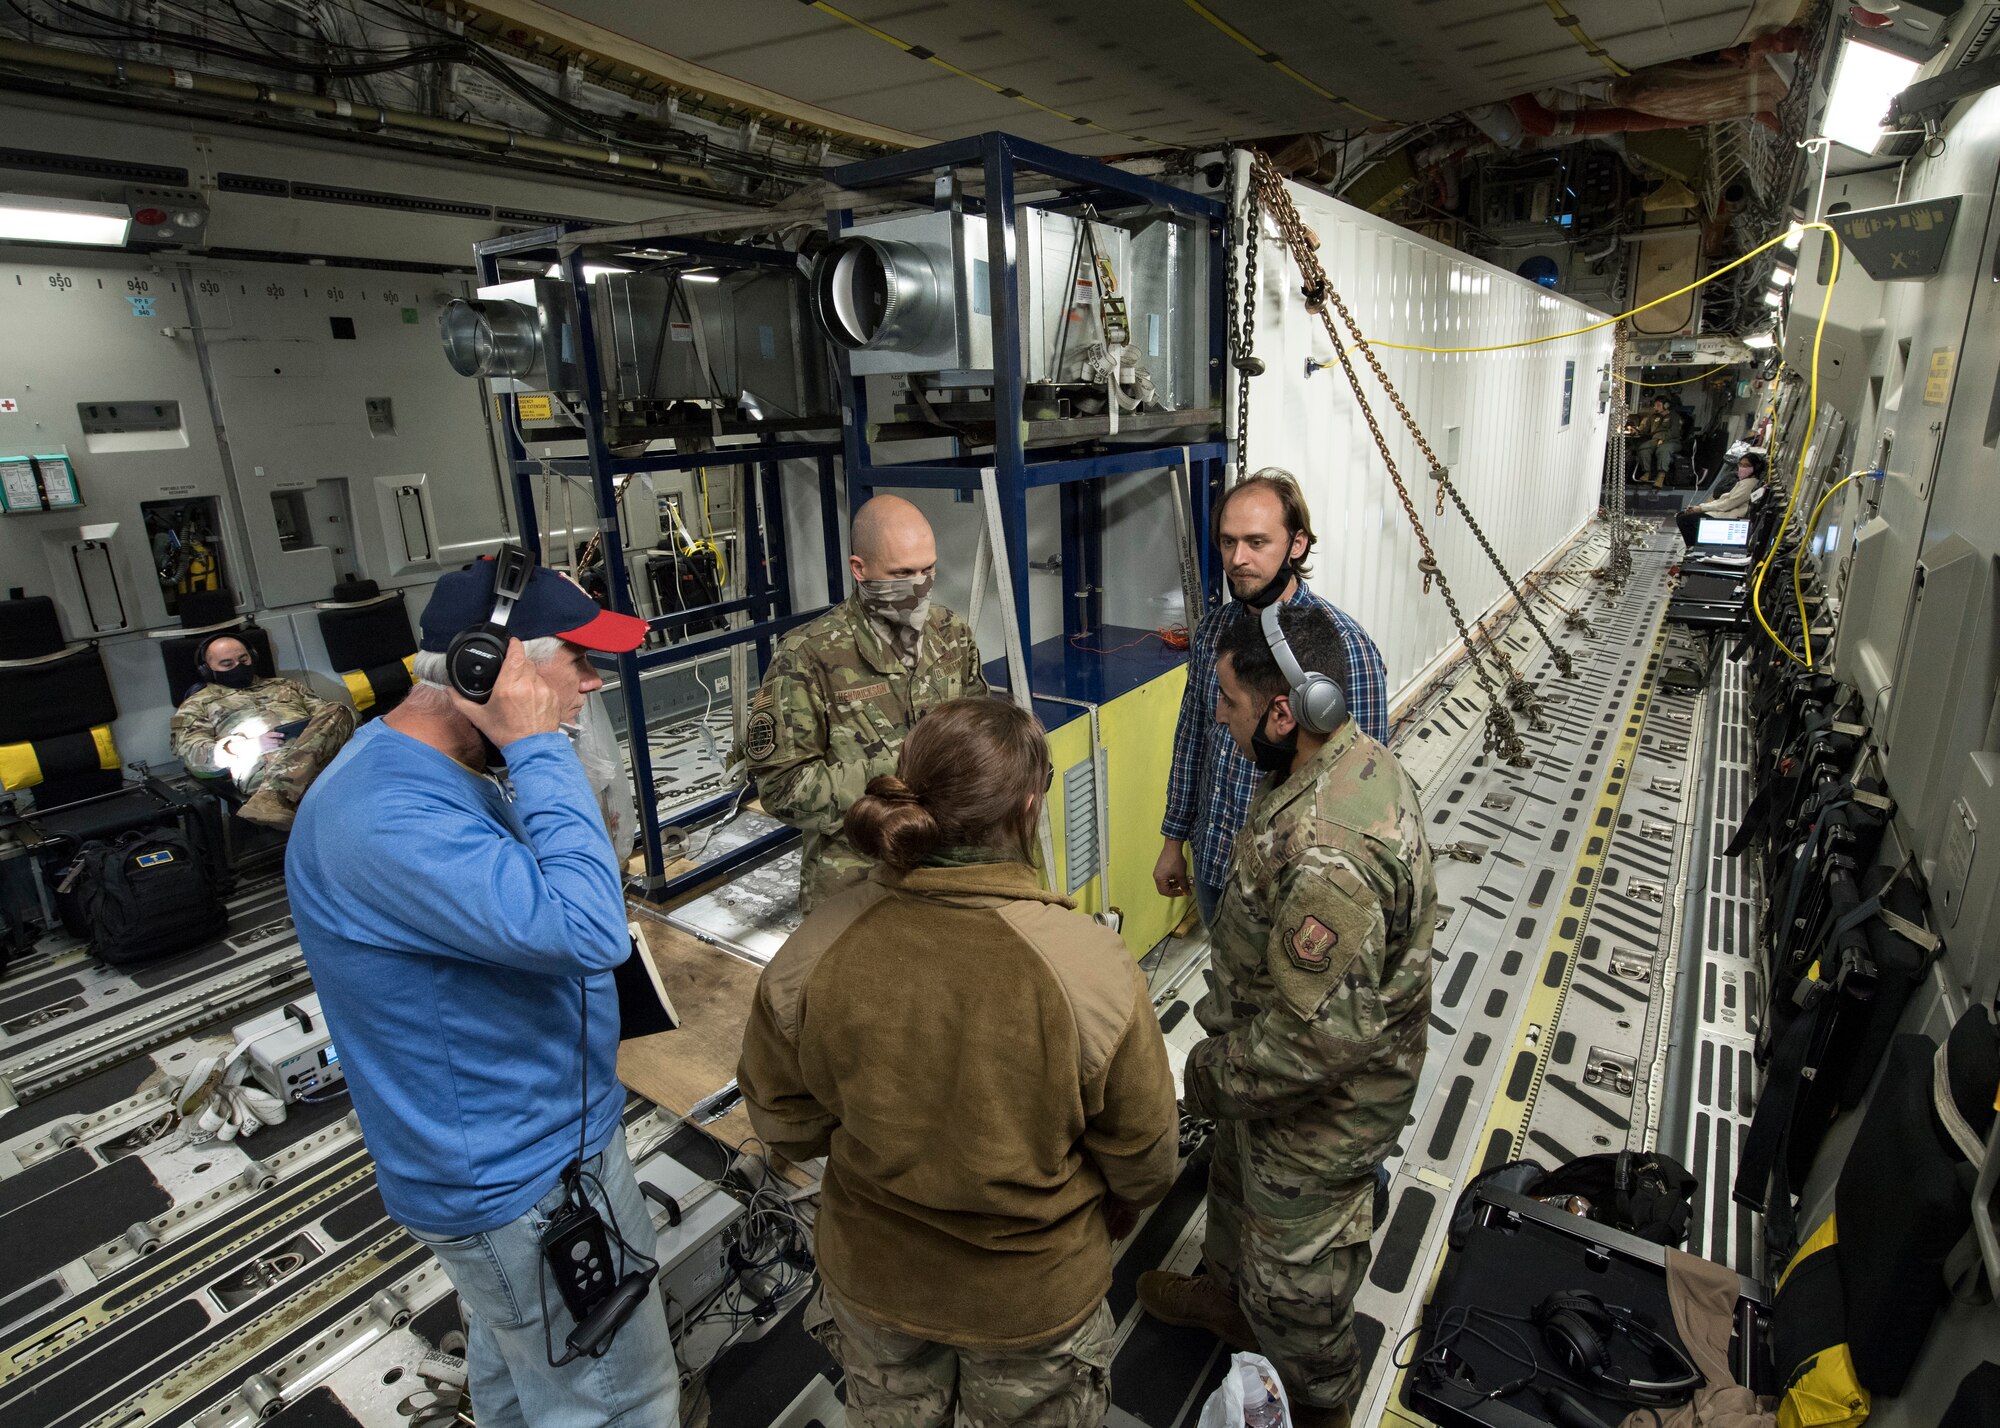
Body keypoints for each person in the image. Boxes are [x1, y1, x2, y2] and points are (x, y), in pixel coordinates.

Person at [285, 559, 681, 1428]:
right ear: (484, 669)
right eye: (576, 661)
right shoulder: (387, 818)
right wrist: (540, 745)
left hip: (527, 1147)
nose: (589, 685)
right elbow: (584, 928)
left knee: (519, 1375)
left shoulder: (426, 777)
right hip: (525, 1181)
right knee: (617, 1400)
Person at [738, 697, 1178, 1428]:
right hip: (1030, 1305)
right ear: (1030, 805)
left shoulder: (815, 950)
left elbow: (785, 1125)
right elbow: (1147, 1159)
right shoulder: (1088, 968)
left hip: (877, 1285)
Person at [1137, 604, 1435, 1428]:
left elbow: (1320, 1041)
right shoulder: (1336, 763)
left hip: (1317, 1114)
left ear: (1286, 711)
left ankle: (1317, 1402)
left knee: (1299, 1283)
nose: (1220, 720)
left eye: (1228, 704)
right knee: (1234, 1200)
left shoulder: (1331, 850)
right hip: (1264, 1089)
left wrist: (1205, 1075)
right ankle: (1232, 1304)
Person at [1156, 471, 1389, 925]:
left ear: (1296, 545)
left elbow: (1366, 785)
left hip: (1293, 884)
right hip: (1215, 860)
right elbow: (1192, 740)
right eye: (1228, 542)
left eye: (1257, 542)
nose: (1238, 558)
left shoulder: (1345, 647)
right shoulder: (1214, 631)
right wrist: (1173, 841)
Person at [746, 494, 989, 912]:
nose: (919, 586)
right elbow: (781, 788)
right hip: (855, 878)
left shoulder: (952, 634)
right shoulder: (808, 656)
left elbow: (977, 734)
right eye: (902, 573)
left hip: (945, 864)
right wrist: (902, 773)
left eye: (927, 570)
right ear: (859, 569)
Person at [169, 633, 354, 831]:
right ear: (208, 670)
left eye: (243, 659)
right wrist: (245, 747)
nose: (238, 666)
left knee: (338, 710)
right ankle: (281, 792)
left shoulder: (286, 686)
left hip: (321, 753)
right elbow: (190, 752)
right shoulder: (196, 704)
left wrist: (309, 737)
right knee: (342, 805)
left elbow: (330, 720)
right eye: (227, 664)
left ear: (253, 657)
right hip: (265, 764)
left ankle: (273, 796)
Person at [1676, 451, 1766, 548]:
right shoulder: (1744, 482)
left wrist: (1701, 509)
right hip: (1724, 512)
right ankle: (1693, 547)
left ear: (1755, 468)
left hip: (1729, 516)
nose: (1742, 468)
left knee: (1684, 519)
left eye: (1746, 465)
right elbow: (1724, 499)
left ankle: (1694, 548)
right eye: (1740, 464)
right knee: (1682, 515)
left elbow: (1728, 504)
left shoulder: (1749, 484)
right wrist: (1701, 507)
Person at [1629, 397, 1681, 488]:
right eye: (1655, 405)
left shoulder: (1674, 417)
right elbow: (1644, 428)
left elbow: (1674, 432)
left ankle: (1661, 476)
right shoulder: (1653, 417)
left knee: (1662, 450)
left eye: (1658, 405)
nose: (1655, 407)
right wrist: (1636, 430)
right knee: (1643, 448)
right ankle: (1647, 472)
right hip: (1655, 440)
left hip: (1672, 441)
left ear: (1666, 406)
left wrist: (1663, 439)